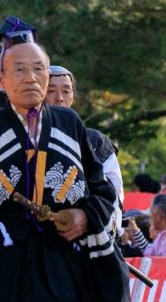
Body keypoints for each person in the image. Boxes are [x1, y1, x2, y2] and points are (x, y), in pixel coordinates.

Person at [0, 38, 127, 301]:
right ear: (1, 80)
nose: (30, 78)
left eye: (39, 69)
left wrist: (85, 215)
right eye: (19, 69)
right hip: (1, 264)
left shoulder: (70, 124)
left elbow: (100, 189)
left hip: (64, 260)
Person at [45, 65, 124, 226]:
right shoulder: (27, 138)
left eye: (66, 91)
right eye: (51, 90)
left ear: (73, 96)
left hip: (87, 226)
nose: (59, 98)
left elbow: (114, 195)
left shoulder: (95, 141)